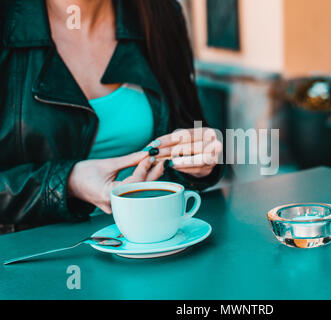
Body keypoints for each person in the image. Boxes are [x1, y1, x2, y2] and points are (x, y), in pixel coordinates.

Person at [0, 0, 223, 229]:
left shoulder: (160, 12)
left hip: (153, 241)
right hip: (37, 255)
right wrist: (68, 183)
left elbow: (190, 131)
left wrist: (200, 162)